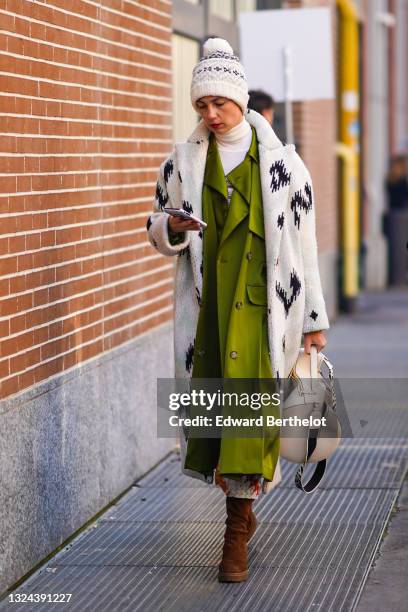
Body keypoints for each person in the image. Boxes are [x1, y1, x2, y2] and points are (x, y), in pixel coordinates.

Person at [146, 38, 329, 583]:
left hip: (263, 314)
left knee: (247, 427)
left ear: (240, 100)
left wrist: (314, 322)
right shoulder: (181, 163)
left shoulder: (284, 167)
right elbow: (153, 226)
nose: (209, 114)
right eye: (200, 105)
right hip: (209, 312)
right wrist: (170, 229)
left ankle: (236, 535)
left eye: (218, 104)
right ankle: (237, 519)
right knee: (213, 428)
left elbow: (306, 247)